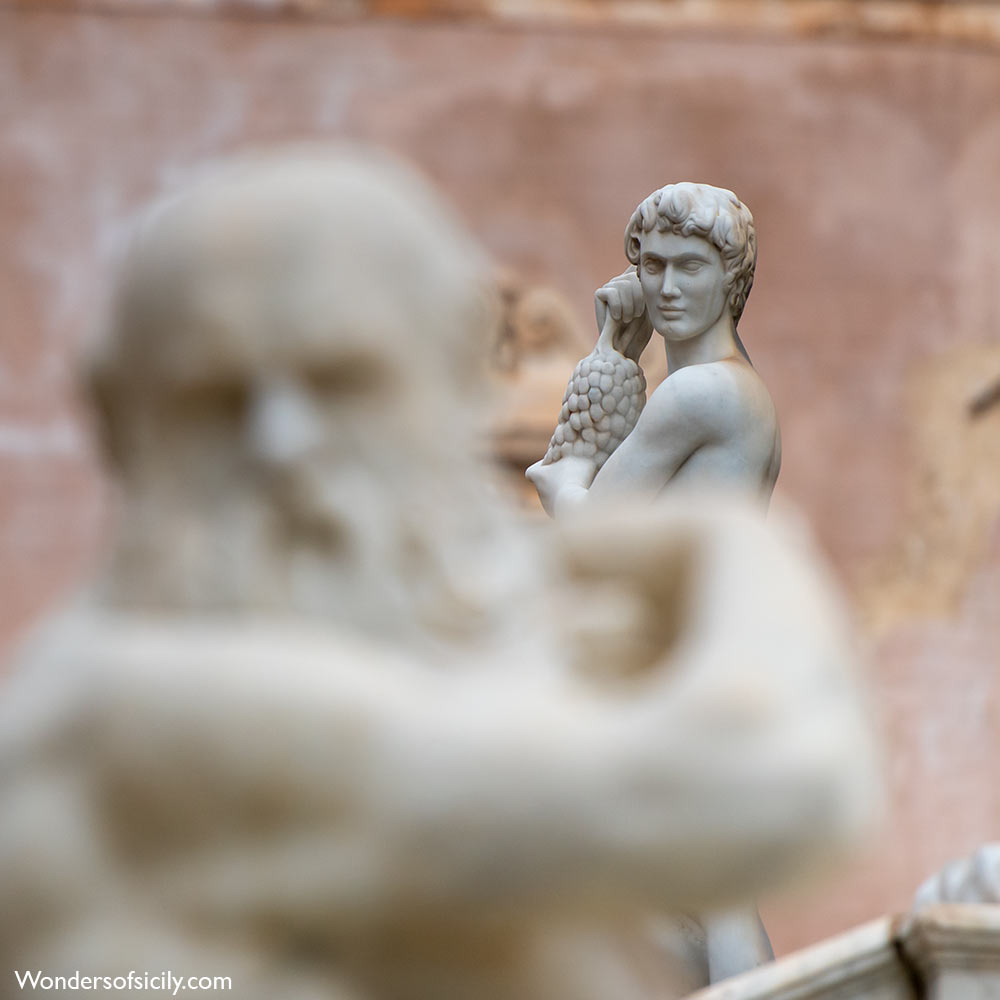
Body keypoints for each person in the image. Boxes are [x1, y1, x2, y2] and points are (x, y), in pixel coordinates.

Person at [0, 152, 874, 1000]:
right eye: (211, 397)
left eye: (346, 382)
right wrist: (745, 554)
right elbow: (779, 768)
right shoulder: (121, 708)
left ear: (461, 378)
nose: (282, 446)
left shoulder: (700, 403)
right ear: (116, 415)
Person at [528, 182, 781, 517]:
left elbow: (591, 529)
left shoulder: (697, 389)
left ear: (731, 277)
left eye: (690, 266)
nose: (668, 288)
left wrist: (565, 480)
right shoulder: (737, 382)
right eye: (654, 266)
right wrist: (622, 350)